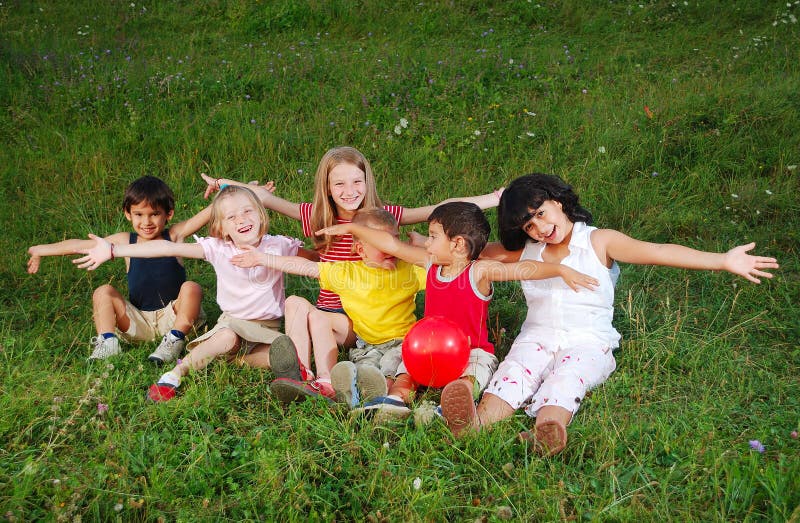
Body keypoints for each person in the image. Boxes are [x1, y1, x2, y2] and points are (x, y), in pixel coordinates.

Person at [438, 173, 779, 456]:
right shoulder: (526, 251)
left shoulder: (599, 241)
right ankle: (475, 425)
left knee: (566, 379)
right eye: (528, 225)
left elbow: (658, 251)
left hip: (588, 342)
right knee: (515, 370)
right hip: (537, 336)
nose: (539, 228)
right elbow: (464, 250)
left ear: (557, 201)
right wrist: (412, 245)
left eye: (540, 213)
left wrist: (721, 260)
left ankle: (546, 431)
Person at [202, 145, 504, 386]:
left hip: (366, 314)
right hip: (330, 310)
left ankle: (311, 373)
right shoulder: (317, 216)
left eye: (357, 181)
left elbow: (440, 209)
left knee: (305, 334)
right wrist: (224, 185)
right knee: (300, 309)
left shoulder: (384, 217)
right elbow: (266, 198)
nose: (349, 191)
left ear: (366, 182)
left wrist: (493, 198)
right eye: (339, 184)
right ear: (328, 188)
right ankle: (299, 374)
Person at [316, 201, 599, 422]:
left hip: (471, 350)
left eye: (432, 236)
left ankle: (448, 407)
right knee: (406, 373)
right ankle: (394, 404)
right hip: (428, 348)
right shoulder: (430, 266)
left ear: (458, 244)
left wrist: (560, 269)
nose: (425, 243)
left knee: (470, 377)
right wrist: (353, 229)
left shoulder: (479, 271)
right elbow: (390, 244)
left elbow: (523, 269)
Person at [73, 185, 316, 402]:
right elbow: (166, 247)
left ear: (261, 214)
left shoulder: (279, 245)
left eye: (248, 211)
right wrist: (114, 250)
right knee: (227, 339)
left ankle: (240, 361)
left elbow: (318, 261)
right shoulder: (218, 249)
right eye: (231, 217)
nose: (241, 219)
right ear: (221, 226)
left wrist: (345, 251)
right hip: (232, 325)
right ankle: (175, 374)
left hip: (268, 329)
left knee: (284, 356)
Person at [229, 208, 427, 405]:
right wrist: (262, 258)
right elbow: (305, 267)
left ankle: (385, 397)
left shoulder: (409, 270)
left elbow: (444, 266)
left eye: (393, 241)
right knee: (364, 368)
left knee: (394, 367)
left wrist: (423, 243)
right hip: (367, 346)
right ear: (360, 249)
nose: (391, 248)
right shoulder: (348, 273)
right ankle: (318, 379)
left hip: (401, 342)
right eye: (381, 243)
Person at [27, 175, 207, 363]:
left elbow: (208, 214)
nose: (146, 222)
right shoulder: (124, 241)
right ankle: (108, 343)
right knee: (103, 291)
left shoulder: (174, 235)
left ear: (168, 214)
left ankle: (174, 340)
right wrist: (41, 250)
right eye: (138, 214)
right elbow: (80, 245)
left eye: (154, 214)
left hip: (174, 316)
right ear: (128, 213)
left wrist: (224, 186)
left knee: (191, 287)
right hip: (139, 321)